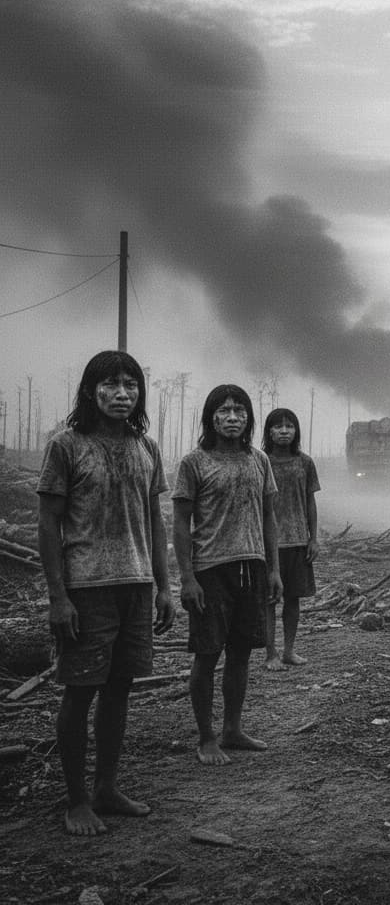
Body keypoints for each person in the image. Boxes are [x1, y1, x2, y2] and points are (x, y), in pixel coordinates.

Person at [37, 350, 175, 836]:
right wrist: (58, 597)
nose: (122, 394)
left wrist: (164, 586)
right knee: (80, 692)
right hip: (86, 588)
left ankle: (106, 788)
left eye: (131, 385)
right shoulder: (67, 445)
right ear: (91, 390)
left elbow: (155, 523)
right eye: (111, 385)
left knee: (120, 690)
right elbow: (48, 522)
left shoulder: (146, 447)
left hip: (136, 587)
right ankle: (76, 801)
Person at [172, 384, 282, 766]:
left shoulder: (259, 461)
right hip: (210, 571)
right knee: (207, 655)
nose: (232, 417)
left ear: (249, 418)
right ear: (211, 418)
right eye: (224, 411)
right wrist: (186, 578)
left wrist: (274, 569)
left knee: (240, 654)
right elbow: (181, 524)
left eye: (239, 411)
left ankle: (232, 729)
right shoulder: (194, 463)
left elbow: (269, 517)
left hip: (251, 567)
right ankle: (206, 738)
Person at [261, 408, 320, 671]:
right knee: (268, 601)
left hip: (297, 541)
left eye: (289, 426)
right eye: (278, 426)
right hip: (268, 544)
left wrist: (313, 538)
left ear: (296, 431)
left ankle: (289, 651)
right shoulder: (261, 461)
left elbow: (310, 500)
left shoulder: (304, 462)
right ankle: (270, 654)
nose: (284, 431)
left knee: (293, 600)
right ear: (269, 431)